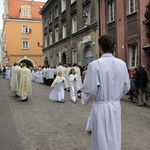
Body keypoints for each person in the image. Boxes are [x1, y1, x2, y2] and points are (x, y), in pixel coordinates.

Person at [81, 34, 130, 150]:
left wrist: (85, 99)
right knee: (114, 135)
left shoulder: (94, 65)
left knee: (100, 137)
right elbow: (126, 87)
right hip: (115, 105)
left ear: (99, 47)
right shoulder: (122, 64)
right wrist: (115, 95)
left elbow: (90, 90)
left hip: (101, 105)